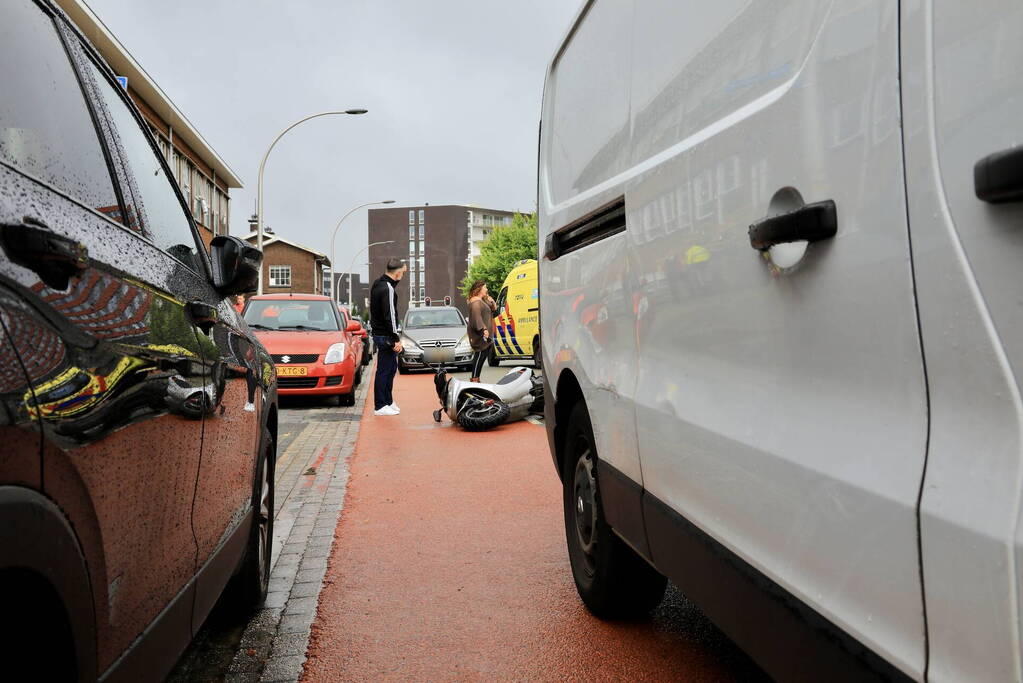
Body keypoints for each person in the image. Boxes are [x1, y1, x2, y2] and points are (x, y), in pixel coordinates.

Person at [369, 258, 406, 416]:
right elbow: (390, 315)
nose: (403, 275)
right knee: (385, 370)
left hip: (380, 334)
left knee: (390, 368)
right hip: (385, 335)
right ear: (397, 274)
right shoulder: (388, 288)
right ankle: (380, 405)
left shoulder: (378, 283)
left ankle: (388, 401)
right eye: (403, 272)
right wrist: (395, 339)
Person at [466, 280, 498, 382]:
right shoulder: (475, 301)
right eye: (485, 287)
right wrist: (483, 328)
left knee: (483, 354)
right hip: (480, 333)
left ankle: (476, 378)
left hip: (484, 332)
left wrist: (490, 300)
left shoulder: (482, 300)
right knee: (480, 354)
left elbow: (494, 309)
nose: (487, 289)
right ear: (479, 289)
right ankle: (474, 379)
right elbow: (476, 317)